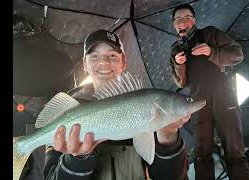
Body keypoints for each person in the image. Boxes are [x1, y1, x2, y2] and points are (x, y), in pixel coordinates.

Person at [44, 29, 191, 180]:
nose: (104, 62)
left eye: (112, 56)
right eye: (94, 56)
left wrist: (168, 137)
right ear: (85, 65)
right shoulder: (64, 112)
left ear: (124, 62)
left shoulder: (148, 107)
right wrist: (76, 159)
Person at [170, 4, 249, 180]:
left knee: (234, 149)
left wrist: (212, 51)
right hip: (197, 103)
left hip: (224, 97)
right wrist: (179, 64)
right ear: (174, 25)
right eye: (178, 20)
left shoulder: (210, 34)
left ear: (194, 21)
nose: (183, 22)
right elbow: (181, 82)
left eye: (187, 18)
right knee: (201, 152)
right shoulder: (175, 49)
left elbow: (237, 54)